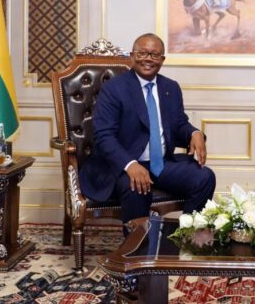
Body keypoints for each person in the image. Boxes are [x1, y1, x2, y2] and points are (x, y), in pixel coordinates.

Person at [79, 33, 216, 228]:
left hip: (161, 164)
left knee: (204, 177)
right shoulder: (114, 89)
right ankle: (139, 246)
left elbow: (179, 124)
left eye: (154, 55)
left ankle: (187, 237)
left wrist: (195, 133)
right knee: (137, 186)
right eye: (142, 53)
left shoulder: (171, 88)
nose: (148, 59)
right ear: (132, 56)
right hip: (122, 166)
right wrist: (130, 164)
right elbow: (104, 136)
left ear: (162, 59)